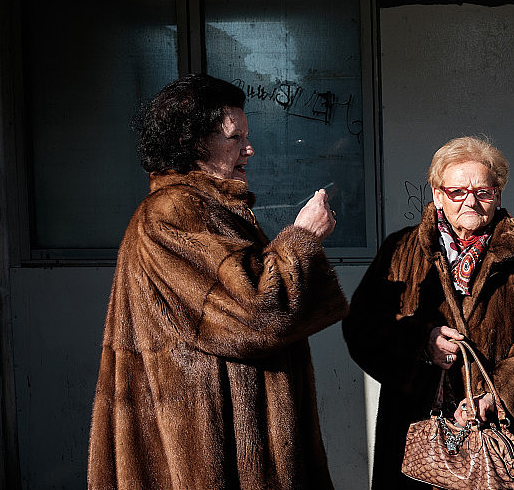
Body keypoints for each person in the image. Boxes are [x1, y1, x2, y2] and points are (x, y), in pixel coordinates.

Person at [87, 73, 347, 489]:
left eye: (247, 135)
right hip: (207, 433)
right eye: (234, 137)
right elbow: (254, 317)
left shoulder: (207, 206)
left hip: (225, 423)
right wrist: (302, 239)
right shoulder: (174, 211)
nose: (249, 149)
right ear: (192, 143)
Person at [342, 136, 514, 489]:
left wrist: (499, 397)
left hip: (499, 440)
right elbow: (363, 327)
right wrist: (421, 342)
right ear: (438, 194)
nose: (471, 201)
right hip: (417, 432)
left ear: (497, 195)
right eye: (457, 192)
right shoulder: (400, 249)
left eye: (483, 192)